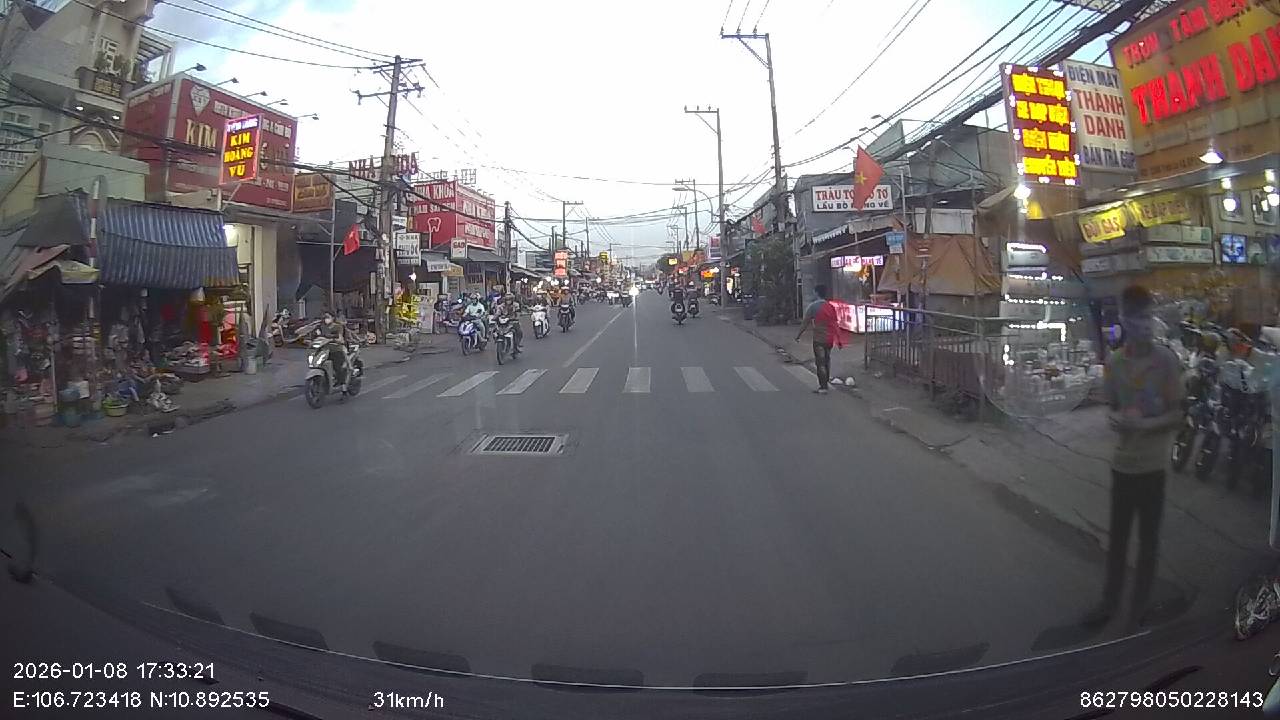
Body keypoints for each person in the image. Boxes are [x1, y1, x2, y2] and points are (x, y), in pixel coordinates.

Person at [1083, 284, 1182, 630]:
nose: (1142, 323)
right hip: (1122, 466)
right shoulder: (1115, 363)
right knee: (1118, 540)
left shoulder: (1165, 362)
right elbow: (1111, 408)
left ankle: (1138, 609)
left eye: (1146, 316)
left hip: (1153, 468)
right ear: (1124, 319)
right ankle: (1109, 604)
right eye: (1135, 317)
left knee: (1148, 542)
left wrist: (1146, 424)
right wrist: (1117, 420)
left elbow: (1177, 414)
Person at [795, 284, 844, 394]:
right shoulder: (830, 307)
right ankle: (825, 383)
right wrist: (839, 340)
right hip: (829, 339)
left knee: (820, 362)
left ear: (817, 293)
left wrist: (798, 335)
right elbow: (835, 324)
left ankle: (823, 386)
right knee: (827, 361)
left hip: (819, 339)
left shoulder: (813, 307)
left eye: (814, 292)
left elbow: (805, 323)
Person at [319, 311, 351, 390]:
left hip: (336, 349)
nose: (326, 319)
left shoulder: (338, 326)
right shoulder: (322, 327)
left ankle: (343, 387)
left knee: (338, 368)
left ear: (333, 318)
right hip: (324, 350)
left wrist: (333, 339)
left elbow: (340, 338)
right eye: (325, 317)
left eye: (328, 317)